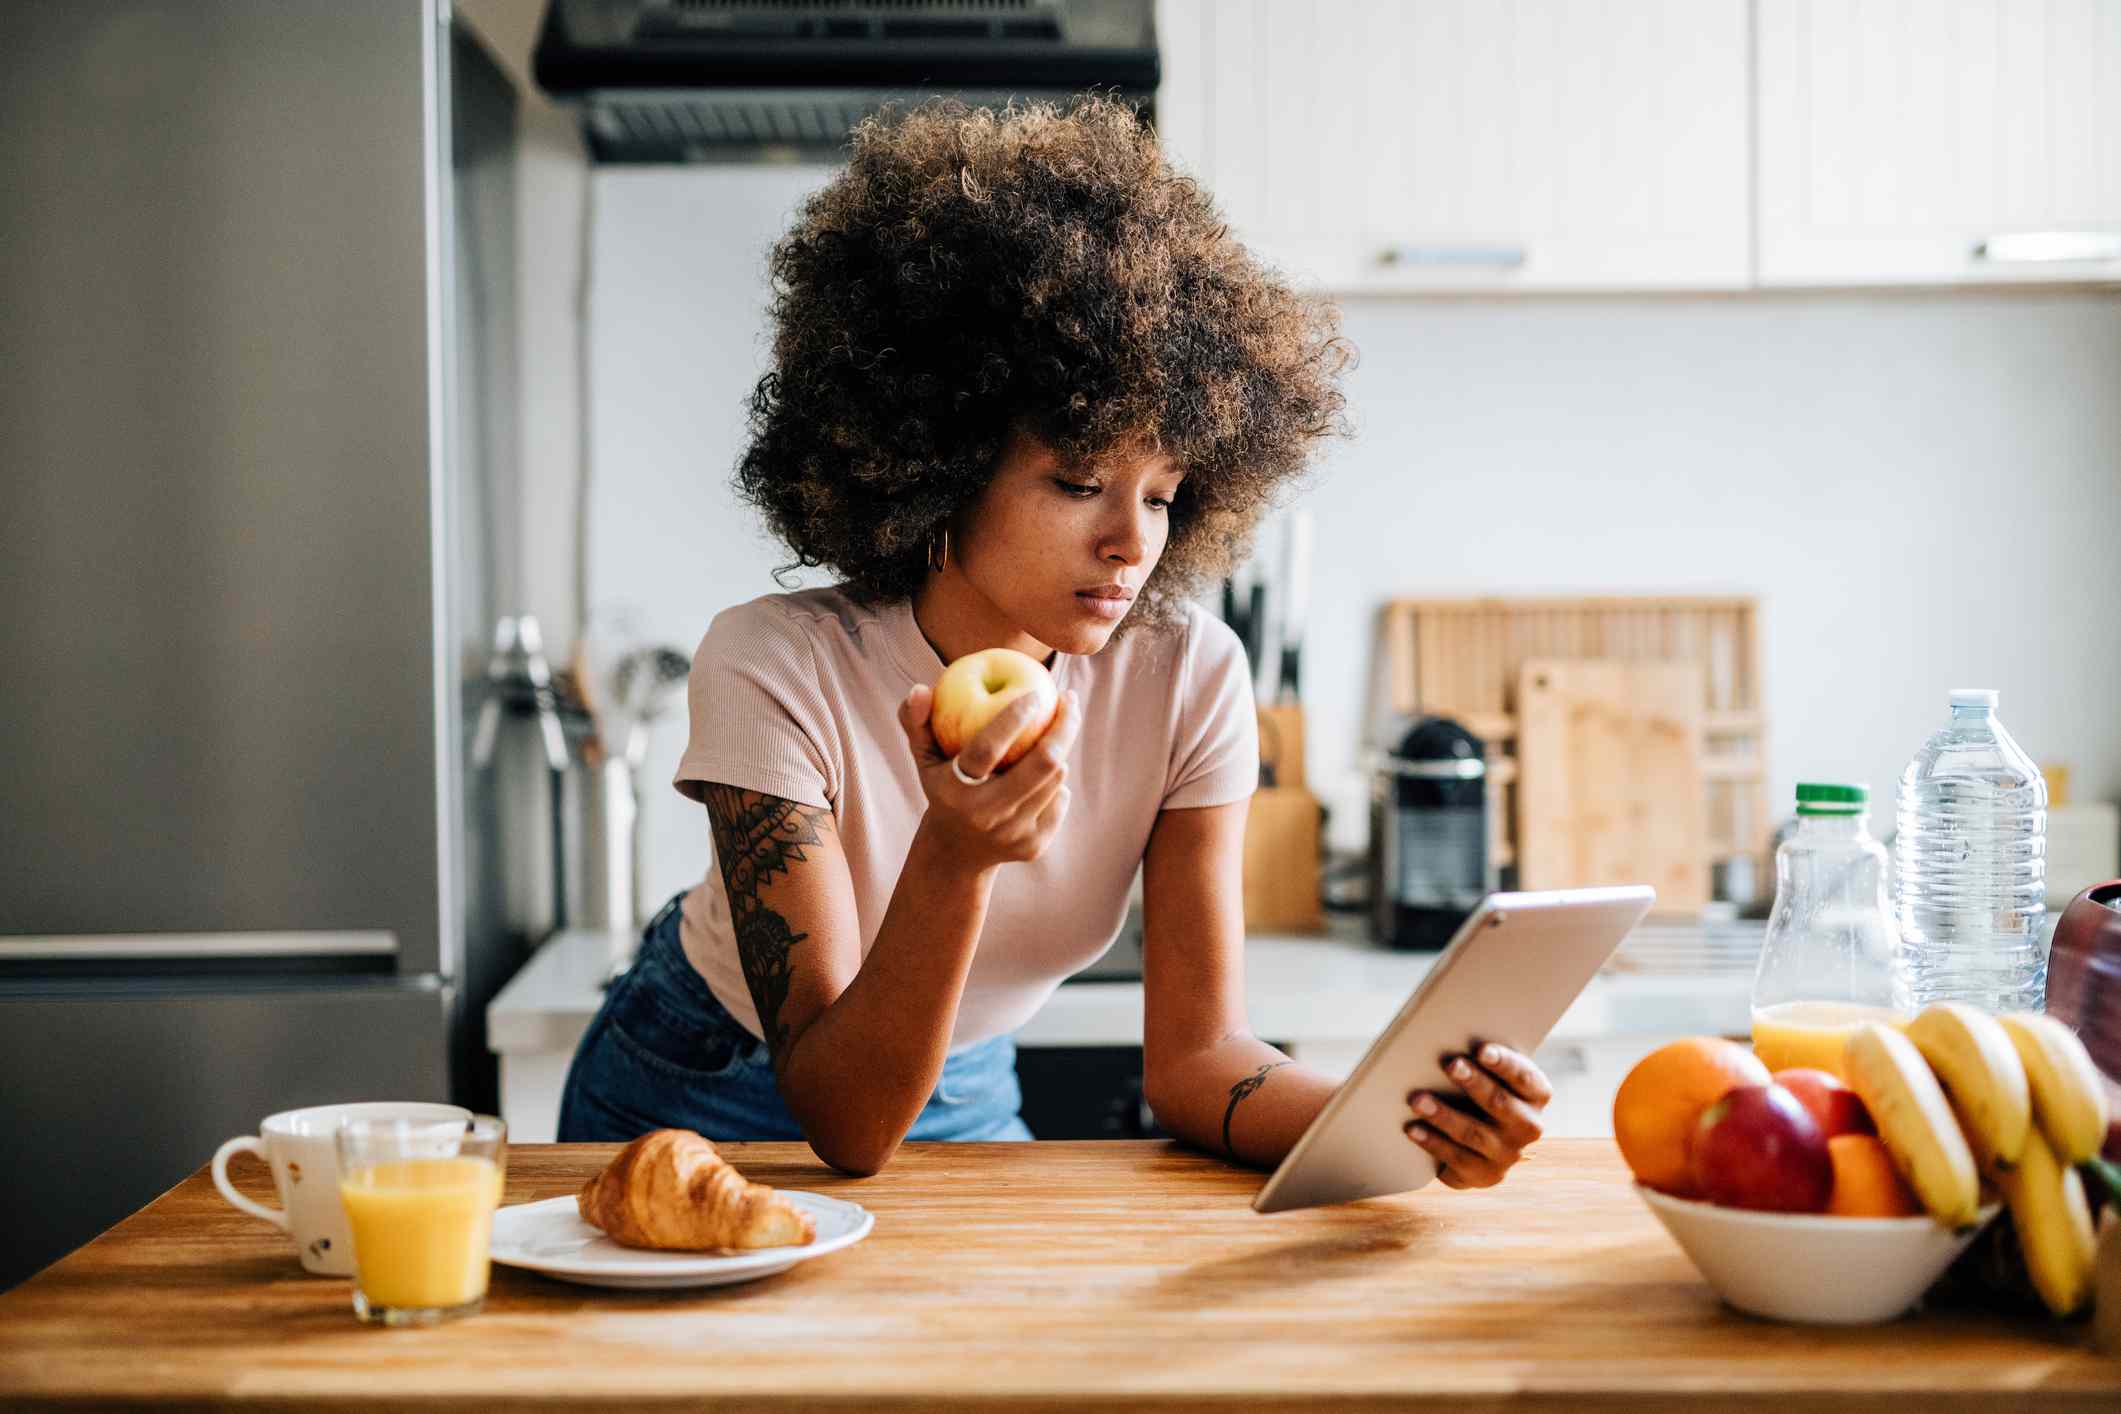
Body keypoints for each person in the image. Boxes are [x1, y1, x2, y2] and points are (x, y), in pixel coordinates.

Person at [559, 96, 1554, 1186]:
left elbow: (1198, 1057)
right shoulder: (773, 665)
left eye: (1166, 494)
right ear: (937, 463)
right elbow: (842, 1116)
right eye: (1079, 481)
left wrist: (1404, 1121)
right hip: (702, 1085)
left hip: (968, 1078)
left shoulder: (1189, 676)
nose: (1133, 542)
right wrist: (957, 853)